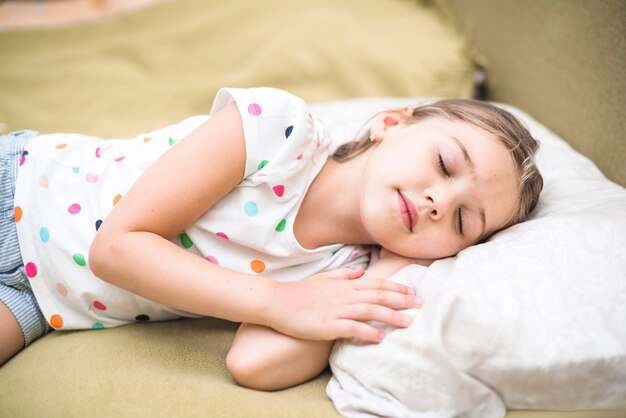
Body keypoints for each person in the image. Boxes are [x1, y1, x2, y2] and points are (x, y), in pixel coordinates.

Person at [0, 87, 542, 390]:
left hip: (40, 302)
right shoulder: (279, 132)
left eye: (461, 223)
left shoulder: (343, 272)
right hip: (18, 186)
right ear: (391, 124)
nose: (437, 203)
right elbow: (117, 248)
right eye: (445, 164)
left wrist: (386, 269)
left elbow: (254, 364)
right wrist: (280, 302)